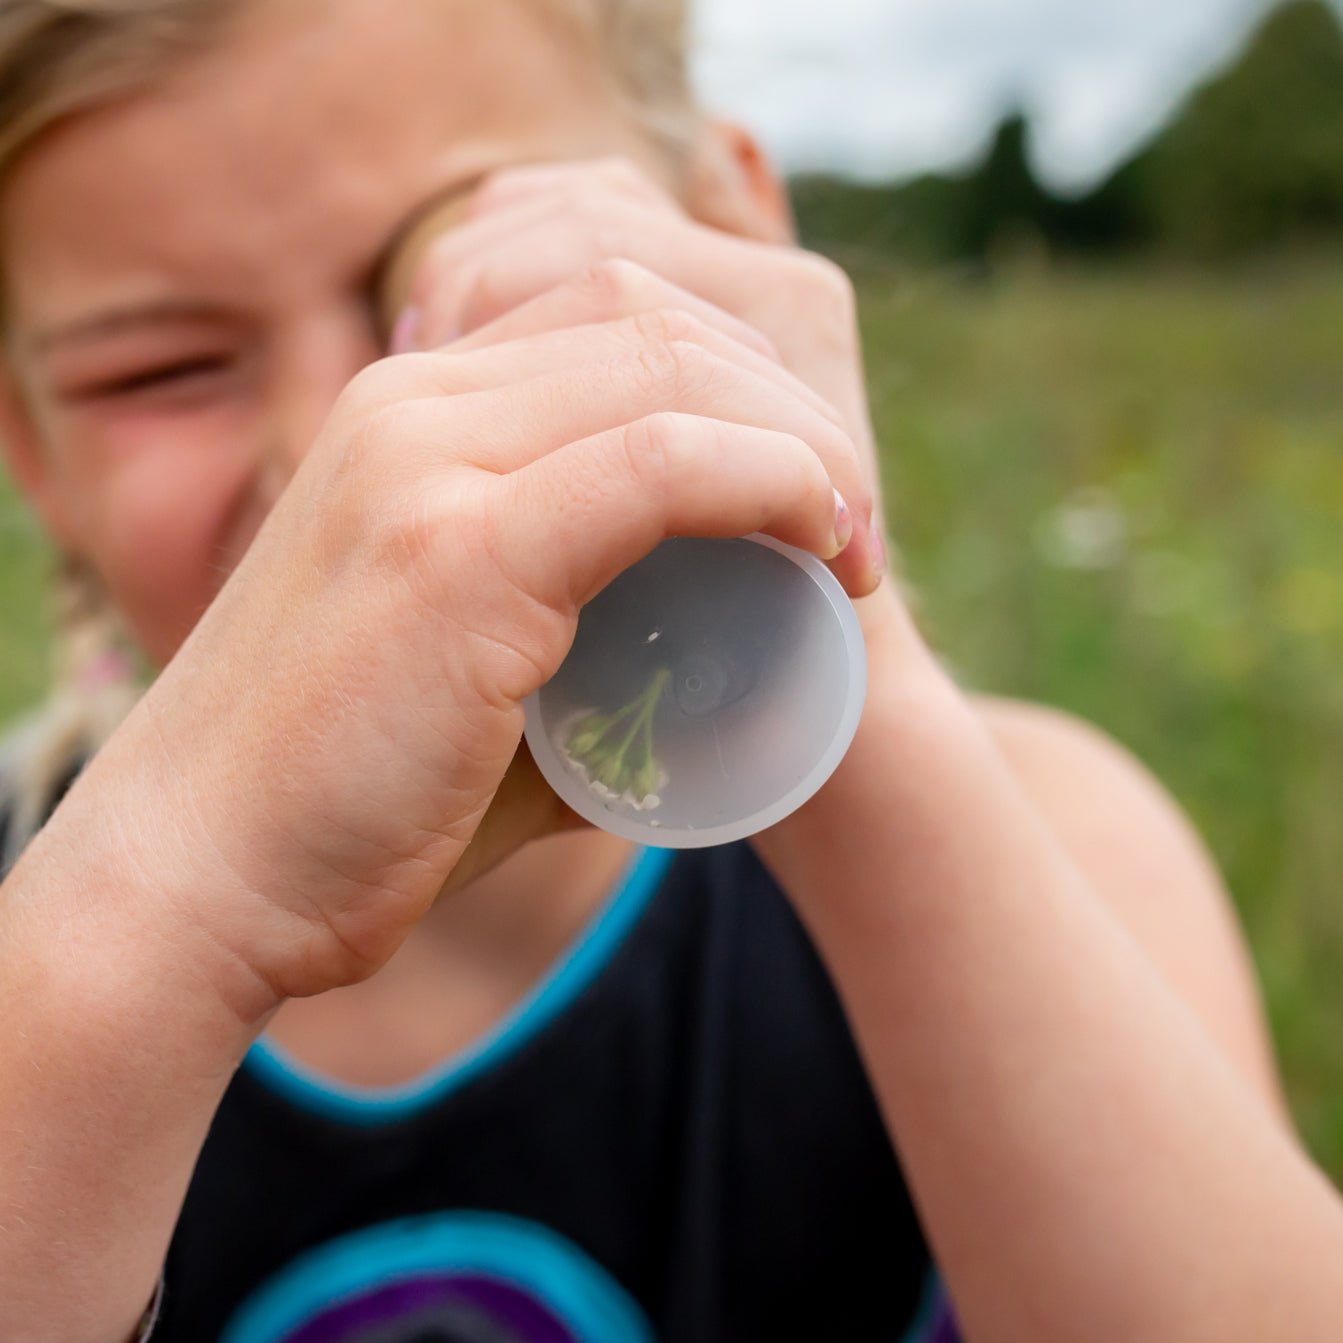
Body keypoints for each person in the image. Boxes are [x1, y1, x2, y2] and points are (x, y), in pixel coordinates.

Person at [1, 2, 1341, 1340]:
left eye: (438, 288)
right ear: (33, 452)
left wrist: (828, 660)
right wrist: (156, 920)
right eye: (163, 372)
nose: (341, 449)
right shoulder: (35, 913)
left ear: (732, 240)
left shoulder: (1062, 846)